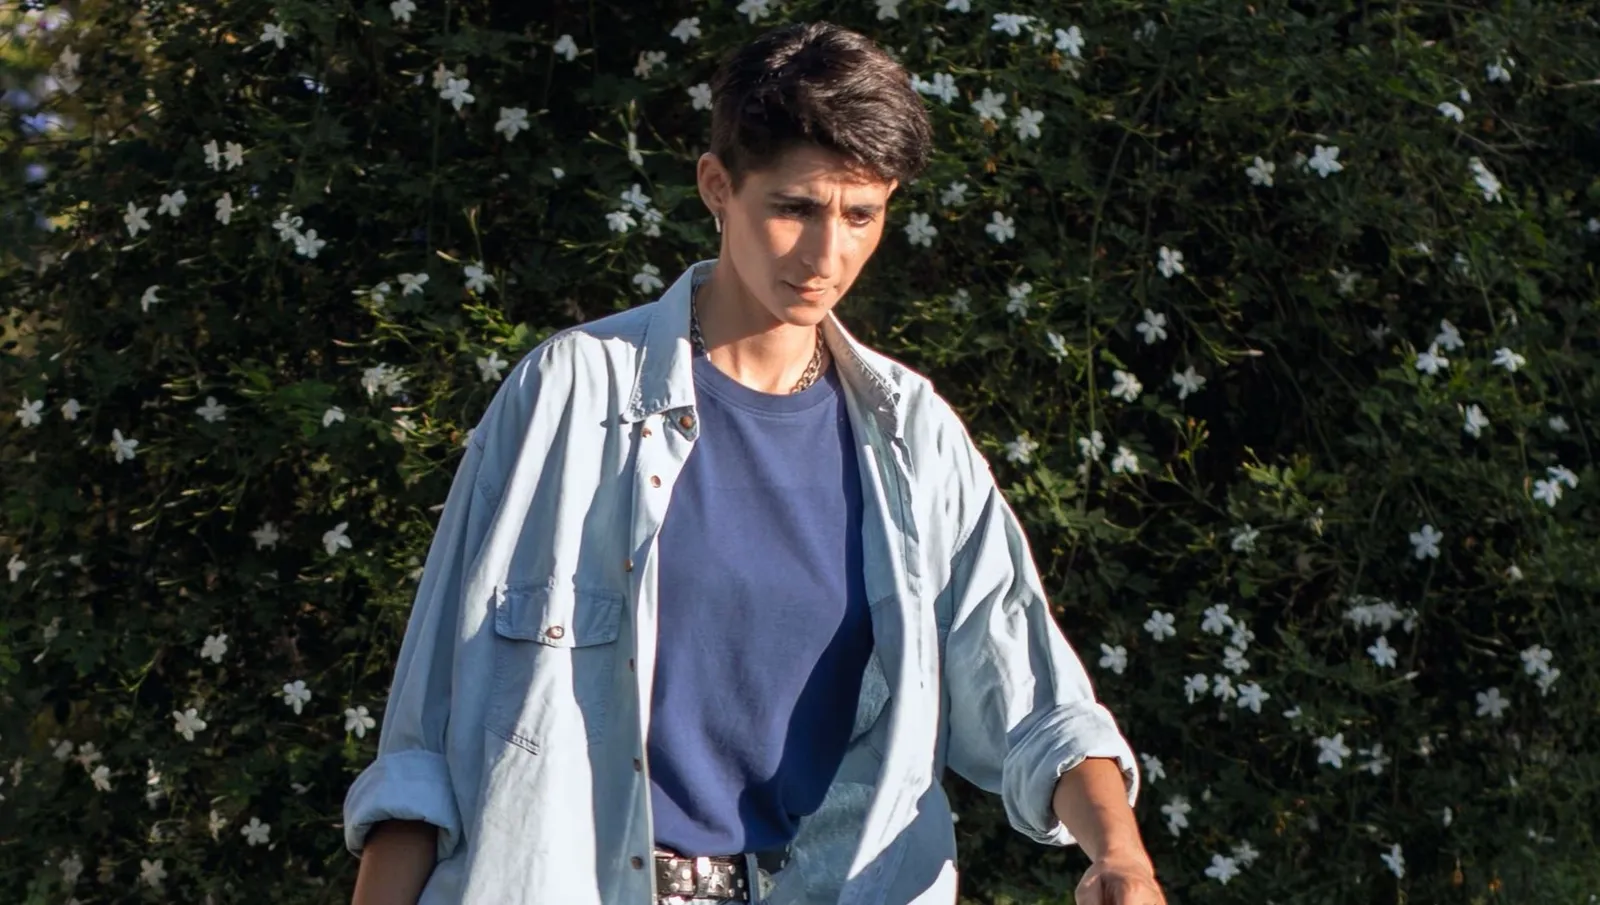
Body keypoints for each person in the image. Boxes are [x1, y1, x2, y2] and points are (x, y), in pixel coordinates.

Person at [343, 20, 1164, 905]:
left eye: (861, 215)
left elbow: (1032, 692)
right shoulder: (572, 394)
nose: (827, 255)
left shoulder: (915, 437)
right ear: (717, 186)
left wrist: (1120, 857)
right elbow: (427, 731)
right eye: (795, 209)